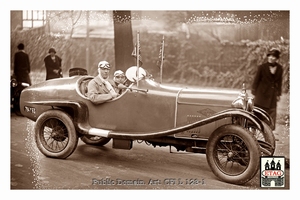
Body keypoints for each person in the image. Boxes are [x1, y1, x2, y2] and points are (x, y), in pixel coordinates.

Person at [251, 48, 283, 130]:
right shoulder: (262, 67)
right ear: (268, 57)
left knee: (271, 114)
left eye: (274, 56)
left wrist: (278, 93)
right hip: (261, 94)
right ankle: (253, 132)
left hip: (272, 96)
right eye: (270, 56)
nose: (271, 58)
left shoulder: (280, 68)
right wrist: (254, 92)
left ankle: (268, 134)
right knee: (257, 114)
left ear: (277, 58)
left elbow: (279, 82)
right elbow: (256, 80)